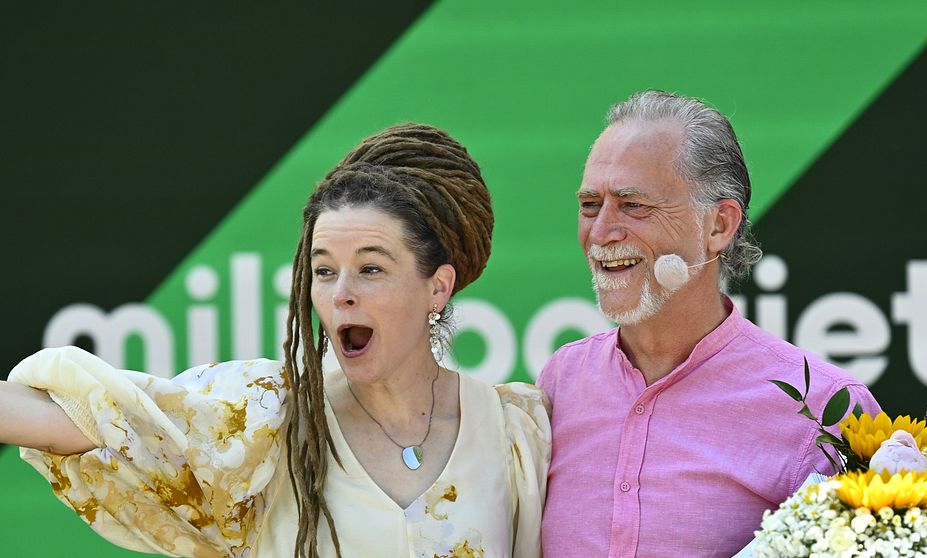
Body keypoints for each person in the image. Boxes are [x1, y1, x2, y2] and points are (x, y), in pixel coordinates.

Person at [0, 124, 550, 558]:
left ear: (438, 286)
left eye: (371, 269)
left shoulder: (516, 434)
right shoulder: (266, 421)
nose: (341, 294)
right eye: (324, 270)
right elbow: (92, 420)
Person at [537, 91, 882, 557]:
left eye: (633, 205)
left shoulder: (826, 407)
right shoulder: (560, 381)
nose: (600, 232)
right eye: (590, 205)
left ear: (719, 225)